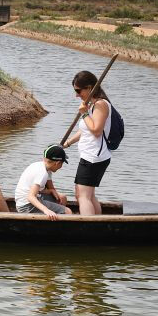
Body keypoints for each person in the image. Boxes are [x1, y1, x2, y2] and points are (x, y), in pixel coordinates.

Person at [62, 70, 112, 216]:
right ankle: (98, 224)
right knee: (88, 196)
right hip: (90, 156)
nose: (77, 95)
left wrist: (84, 113)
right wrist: (68, 143)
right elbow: (85, 130)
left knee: (82, 196)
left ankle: (89, 227)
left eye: (78, 91)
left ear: (89, 88)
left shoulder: (101, 105)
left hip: (94, 157)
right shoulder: (91, 104)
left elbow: (96, 130)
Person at [14, 145, 72, 219]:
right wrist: (46, 210)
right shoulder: (42, 173)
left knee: (62, 198)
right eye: (62, 163)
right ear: (57, 163)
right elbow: (30, 197)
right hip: (26, 206)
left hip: (29, 200)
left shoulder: (44, 168)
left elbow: (50, 188)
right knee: (68, 211)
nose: (61, 167)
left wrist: (51, 190)